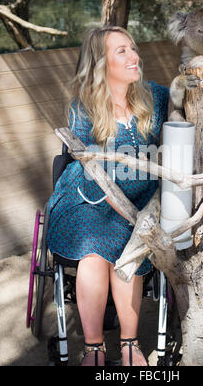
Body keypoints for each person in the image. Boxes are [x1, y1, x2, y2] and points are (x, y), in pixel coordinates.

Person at [46, 26, 169, 366]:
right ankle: (95, 347)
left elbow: (193, 104)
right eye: (122, 52)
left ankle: (130, 343)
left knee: (129, 251)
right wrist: (130, 218)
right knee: (95, 251)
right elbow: (96, 176)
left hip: (141, 198)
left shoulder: (156, 98)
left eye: (133, 48)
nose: (135, 57)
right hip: (88, 198)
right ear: (101, 63)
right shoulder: (82, 109)